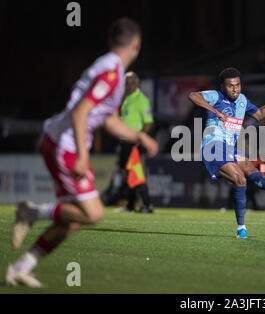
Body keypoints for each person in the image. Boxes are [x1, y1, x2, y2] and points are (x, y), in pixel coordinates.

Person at [6, 18, 159, 288]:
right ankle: (31, 213)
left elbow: (108, 119)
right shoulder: (110, 73)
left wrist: (138, 136)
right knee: (93, 214)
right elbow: (80, 112)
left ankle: (20, 268)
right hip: (64, 145)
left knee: (73, 219)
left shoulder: (110, 70)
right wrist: (82, 154)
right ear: (137, 45)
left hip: (61, 142)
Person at [188, 68, 265, 239]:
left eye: (237, 85)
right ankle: (241, 229)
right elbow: (193, 96)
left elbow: (259, 114)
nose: (235, 89)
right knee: (240, 179)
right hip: (212, 146)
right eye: (230, 86)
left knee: (253, 172)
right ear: (223, 87)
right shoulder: (216, 96)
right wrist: (215, 112)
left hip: (230, 148)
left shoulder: (242, 100)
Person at [114, 72, 155, 214]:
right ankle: (131, 205)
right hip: (125, 143)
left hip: (134, 143)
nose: (128, 85)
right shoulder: (127, 99)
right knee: (128, 174)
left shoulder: (141, 99)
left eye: (131, 82)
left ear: (137, 83)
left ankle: (148, 205)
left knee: (136, 173)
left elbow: (148, 122)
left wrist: (140, 139)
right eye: (126, 82)